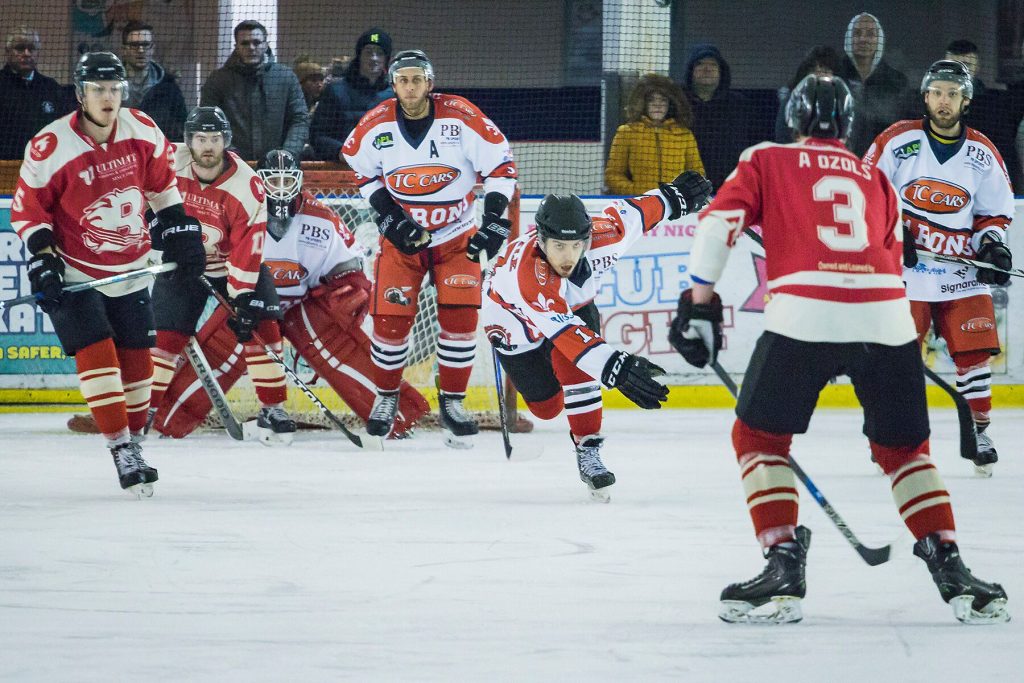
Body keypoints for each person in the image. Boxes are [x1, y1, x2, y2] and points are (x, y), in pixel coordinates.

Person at [669, 74, 1008, 625]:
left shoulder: (766, 159)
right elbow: (895, 256)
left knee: (758, 438)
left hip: (805, 313)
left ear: (793, 119)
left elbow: (717, 224)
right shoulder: (875, 177)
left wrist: (699, 302)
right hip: (887, 318)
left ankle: (782, 561)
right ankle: (952, 567)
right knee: (906, 452)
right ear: (847, 126)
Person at [11, 52, 205, 496]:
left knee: (138, 362)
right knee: (97, 352)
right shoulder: (50, 144)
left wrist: (181, 231)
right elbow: (29, 209)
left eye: (114, 88)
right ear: (80, 94)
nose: (107, 97)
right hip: (76, 269)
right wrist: (42, 256)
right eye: (98, 89)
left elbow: (161, 188)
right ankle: (121, 449)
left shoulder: (143, 129)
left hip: (133, 267)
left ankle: (134, 442)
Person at [145, 149, 430, 439]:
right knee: (222, 349)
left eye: (286, 180)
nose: (280, 188)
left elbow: (351, 267)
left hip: (302, 305)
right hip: (248, 299)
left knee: (338, 349)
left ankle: (397, 417)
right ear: (260, 182)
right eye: (273, 181)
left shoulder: (322, 219)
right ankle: (167, 419)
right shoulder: (242, 207)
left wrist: (347, 294)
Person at [484, 172, 710, 500]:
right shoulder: (528, 277)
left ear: (588, 238)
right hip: (512, 323)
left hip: (569, 312)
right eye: (559, 246)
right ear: (541, 240)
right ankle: (566, 391)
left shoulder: (607, 235)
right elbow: (569, 335)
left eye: (576, 245)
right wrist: (617, 367)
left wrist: (675, 197)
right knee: (547, 409)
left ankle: (588, 450)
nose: (568, 256)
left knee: (579, 364)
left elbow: (638, 212)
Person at [342, 49, 518, 447]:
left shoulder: (462, 116)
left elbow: (501, 168)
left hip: (457, 237)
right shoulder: (375, 125)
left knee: (460, 320)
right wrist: (389, 218)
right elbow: (362, 173)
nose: (409, 86)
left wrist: (492, 222)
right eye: (402, 79)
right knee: (389, 323)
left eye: (417, 79)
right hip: (402, 242)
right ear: (393, 84)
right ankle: (386, 398)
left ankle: (452, 403)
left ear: (430, 83)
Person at [863, 60, 1015, 476]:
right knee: (896, 360)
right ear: (925, 97)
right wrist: (895, 234)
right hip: (905, 276)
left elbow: (994, 214)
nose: (943, 100)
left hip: (961, 274)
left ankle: (979, 431)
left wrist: (994, 249)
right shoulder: (897, 141)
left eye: (952, 94)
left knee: (975, 356)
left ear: (966, 101)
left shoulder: (982, 152)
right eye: (937, 92)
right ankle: (888, 435)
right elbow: (866, 193)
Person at [145, 106, 299, 444]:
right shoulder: (169, 161)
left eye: (215, 138)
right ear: (189, 140)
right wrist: (154, 224)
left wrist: (243, 298)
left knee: (263, 326)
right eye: (201, 138)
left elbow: (248, 248)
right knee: (164, 337)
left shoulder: (248, 186)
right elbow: (141, 190)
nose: (208, 146)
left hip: (230, 265)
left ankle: (273, 408)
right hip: (183, 263)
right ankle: (146, 409)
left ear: (226, 140)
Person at [200, 20, 309, 161]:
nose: (251, 47)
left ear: (265, 45)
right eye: (244, 43)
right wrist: (229, 154)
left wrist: (288, 153)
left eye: (257, 42)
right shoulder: (218, 80)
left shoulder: (286, 77)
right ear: (236, 47)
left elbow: (299, 118)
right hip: (230, 168)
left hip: (281, 169)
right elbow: (208, 121)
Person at [604, 73, 704, 195]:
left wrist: (680, 195)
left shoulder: (684, 135)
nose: (658, 105)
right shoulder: (627, 132)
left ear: (671, 103)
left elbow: (697, 175)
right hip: (640, 204)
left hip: (675, 205)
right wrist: (637, 192)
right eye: (651, 100)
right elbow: (613, 175)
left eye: (663, 100)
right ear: (643, 103)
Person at [946, 39, 1024, 192]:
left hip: (997, 190)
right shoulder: (931, 107)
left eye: (967, 65)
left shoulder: (1000, 103)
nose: (960, 71)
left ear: (977, 67)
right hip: (950, 192)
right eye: (952, 66)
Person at [311, 28, 393, 161]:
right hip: (341, 171)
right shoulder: (335, 91)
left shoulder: (393, 96)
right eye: (368, 52)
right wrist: (341, 152)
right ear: (359, 56)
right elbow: (317, 135)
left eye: (379, 53)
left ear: (386, 59)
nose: (374, 58)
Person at [837, 12, 910, 156]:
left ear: (879, 40)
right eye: (857, 33)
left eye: (870, 34)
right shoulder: (835, 76)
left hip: (882, 163)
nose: (863, 39)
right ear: (848, 39)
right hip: (841, 161)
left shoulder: (896, 82)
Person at [0, 26, 74, 159]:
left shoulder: (50, 87)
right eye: (20, 48)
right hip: (6, 168)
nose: (27, 53)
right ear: (7, 52)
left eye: (31, 48)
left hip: (43, 168)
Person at [119, 20, 187, 142]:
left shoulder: (169, 88)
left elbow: (182, 128)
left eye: (145, 45)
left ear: (152, 48)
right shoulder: (111, 87)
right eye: (135, 45)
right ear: (124, 50)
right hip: (122, 155)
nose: (140, 50)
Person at [773, 46, 844, 143]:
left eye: (826, 71)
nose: (820, 76)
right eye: (815, 72)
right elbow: (783, 138)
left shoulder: (843, 103)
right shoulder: (791, 101)